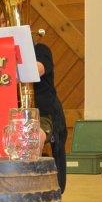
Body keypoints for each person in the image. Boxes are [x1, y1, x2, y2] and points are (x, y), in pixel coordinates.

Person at [34, 40, 68, 192]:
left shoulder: (40, 49)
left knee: (35, 138)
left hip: (45, 114)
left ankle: (31, 187)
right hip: (14, 113)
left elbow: (36, 70)